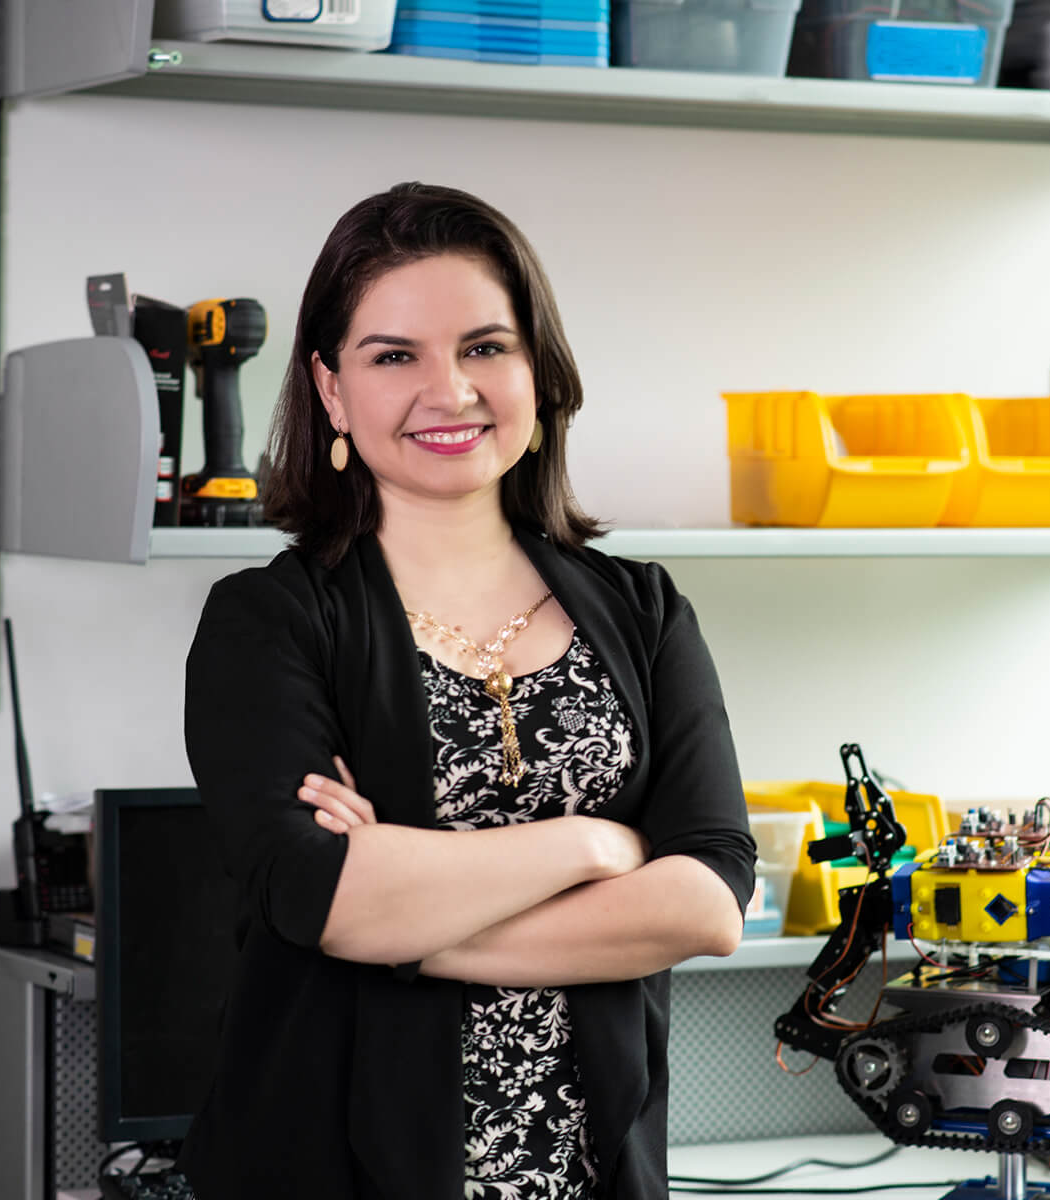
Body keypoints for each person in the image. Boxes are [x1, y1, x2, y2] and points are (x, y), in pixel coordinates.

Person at [177, 181, 757, 1200]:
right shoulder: (269, 623)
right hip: (330, 1165)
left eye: (486, 347)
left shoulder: (644, 611)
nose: (449, 391)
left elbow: (707, 900)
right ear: (330, 389)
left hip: (593, 1168)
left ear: (538, 370)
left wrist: (415, 927)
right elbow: (325, 899)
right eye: (394, 355)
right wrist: (595, 845)